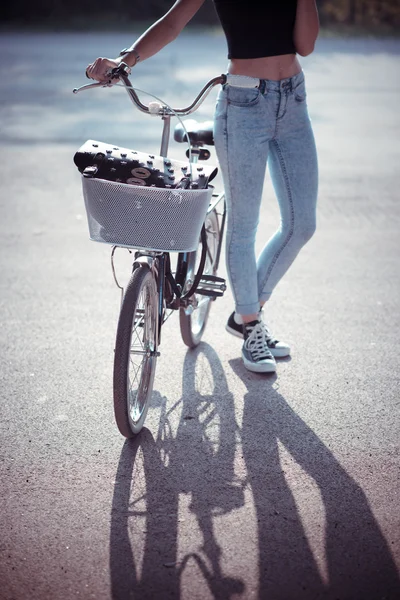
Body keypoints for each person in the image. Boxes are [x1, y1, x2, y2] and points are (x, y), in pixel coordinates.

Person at [87, 0, 320, 374]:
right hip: (245, 102)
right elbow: (173, 21)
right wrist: (126, 60)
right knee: (244, 224)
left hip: (294, 98)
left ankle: (248, 310)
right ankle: (250, 324)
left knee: (301, 224)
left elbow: (305, 45)